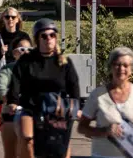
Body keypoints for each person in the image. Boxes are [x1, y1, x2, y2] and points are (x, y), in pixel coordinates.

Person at [9, 19, 80, 158]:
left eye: (52, 35)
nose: (49, 39)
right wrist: (12, 101)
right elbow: (15, 83)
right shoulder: (26, 61)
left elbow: (74, 87)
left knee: (63, 144)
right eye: (44, 36)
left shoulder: (64, 62)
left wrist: (76, 107)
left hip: (57, 110)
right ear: (37, 39)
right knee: (27, 138)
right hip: (30, 107)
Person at [79, 47, 133, 158]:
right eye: (117, 64)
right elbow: (82, 127)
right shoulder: (97, 95)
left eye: (125, 65)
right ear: (111, 67)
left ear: (131, 69)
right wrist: (104, 131)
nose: (121, 69)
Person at [0, 33, 33, 158]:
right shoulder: (8, 69)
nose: (25, 52)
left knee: (29, 150)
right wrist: (9, 99)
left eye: (29, 49)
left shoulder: (38, 70)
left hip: (33, 114)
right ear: (14, 53)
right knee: (11, 153)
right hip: (11, 113)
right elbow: (1, 88)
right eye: (21, 49)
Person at [0, 8, 24, 126]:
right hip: (2, 78)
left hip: (18, 78)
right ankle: (7, 135)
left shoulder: (23, 37)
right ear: (3, 19)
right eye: (7, 17)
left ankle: (14, 137)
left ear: (18, 19)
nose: (10, 20)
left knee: (18, 113)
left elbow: (31, 58)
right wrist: (0, 52)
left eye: (13, 17)